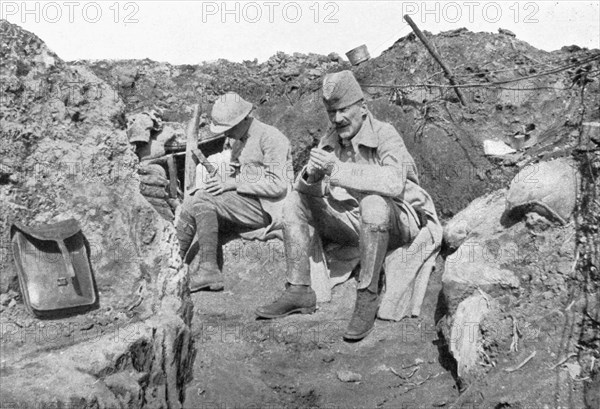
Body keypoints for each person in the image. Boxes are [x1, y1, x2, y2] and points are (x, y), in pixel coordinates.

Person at [255, 70, 439, 341]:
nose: (337, 119)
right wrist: (311, 176)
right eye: (331, 113)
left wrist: (337, 170)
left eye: (343, 110)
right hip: (355, 222)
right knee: (295, 201)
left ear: (362, 108)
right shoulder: (332, 138)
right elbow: (306, 187)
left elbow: (393, 183)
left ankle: (367, 295)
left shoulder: (386, 134)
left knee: (375, 203)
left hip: (398, 221)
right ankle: (299, 290)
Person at [176, 92, 292, 292]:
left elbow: (278, 184)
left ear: (242, 119)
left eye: (228, 129)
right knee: (193, 197)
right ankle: (175, 261)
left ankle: (208, 270)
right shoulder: (240, 139)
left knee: (205, 199)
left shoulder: (272, 138)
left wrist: (233, 183)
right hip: (248, 202)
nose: (225, 134)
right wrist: (228, 177)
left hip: (269, 207)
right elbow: (239, 171)